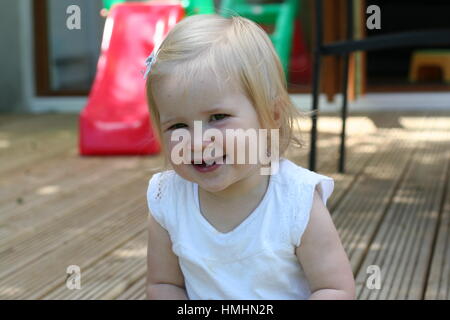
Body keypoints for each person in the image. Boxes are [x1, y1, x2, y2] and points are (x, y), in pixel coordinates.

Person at [144, 13, 355, 300]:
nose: (197, 140)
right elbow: (164, 284)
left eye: (218, 117)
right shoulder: (167, 197)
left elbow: (334, 289)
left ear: (271, 116)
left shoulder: (296, 199)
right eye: (177, 126)